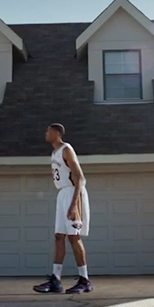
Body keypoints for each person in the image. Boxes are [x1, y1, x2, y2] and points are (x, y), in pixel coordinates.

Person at [33, 124, 92, 294]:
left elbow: (80, 177)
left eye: (48, 131)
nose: (45, 133)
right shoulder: (54, 153)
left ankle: (85, 279)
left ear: (57, 133)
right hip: (62, 194)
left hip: (74, 193)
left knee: (74, 237)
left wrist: (74, 204)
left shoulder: (66, 149)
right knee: (59, 237)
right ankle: (56, 279)